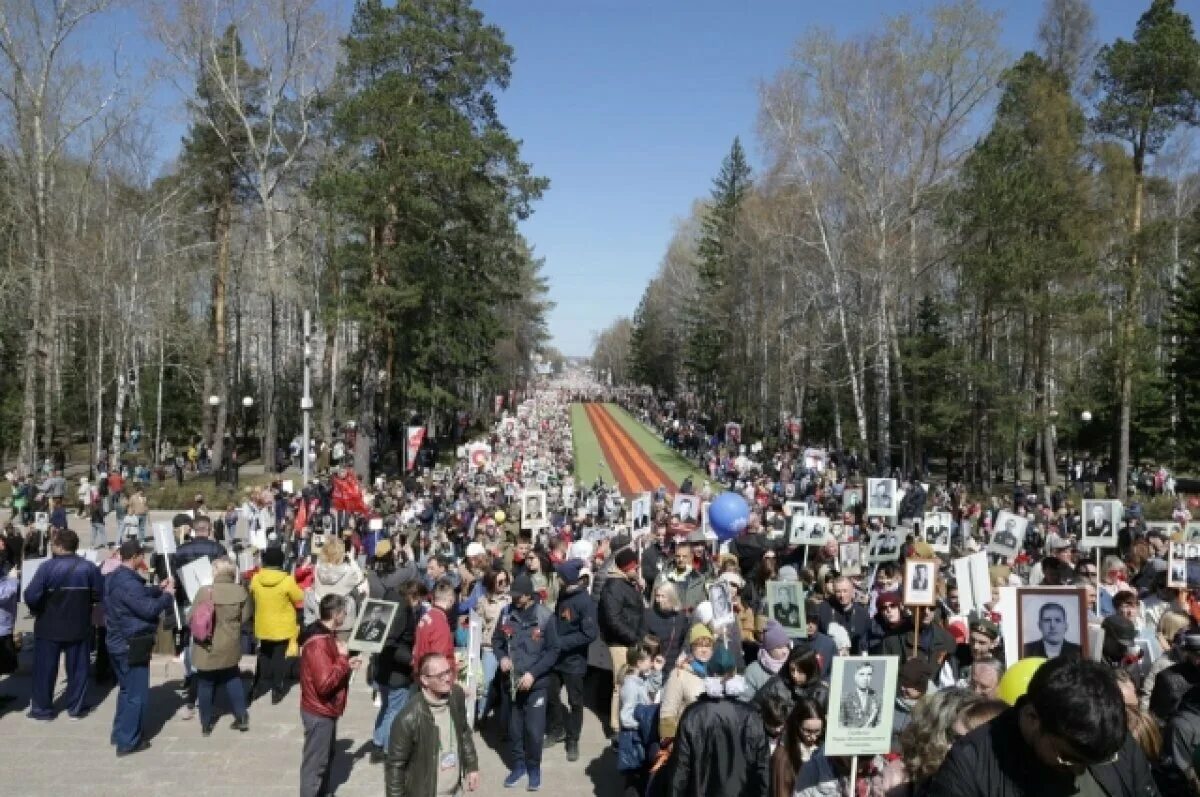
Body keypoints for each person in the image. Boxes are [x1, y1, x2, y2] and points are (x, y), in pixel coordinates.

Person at [925, 656, 1157, 797]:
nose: (1080, 771)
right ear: (1032, 718)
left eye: (1098, 761)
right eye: (1068, 758)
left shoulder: (1108, 734)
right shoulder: (971, 765)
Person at [24, 528, 104, 721]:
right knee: (78, 669)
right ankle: (76, 708)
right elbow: (100, 593)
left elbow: (30, 596)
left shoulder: (46, 567)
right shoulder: (89, 568)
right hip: (79, 625)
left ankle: (42, 710)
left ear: (59, 546)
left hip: (48, 625)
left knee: (45, 670)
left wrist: (38, 608)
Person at [104, 539, 175, 755]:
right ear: (134, 556)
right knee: (137, 694)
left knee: (126, 690)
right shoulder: (128, 583)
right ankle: (128, 740)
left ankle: (120, 732)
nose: (143, 560)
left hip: (117, 640)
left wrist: (156, 589)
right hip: (131, 643)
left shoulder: (115, 577)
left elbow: (137, 597)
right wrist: (167, 596)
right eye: (141, 556)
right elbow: (148, 609)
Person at [667, 646, 769, 797]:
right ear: (734, 673)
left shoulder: (693, 714)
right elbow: (763, 770)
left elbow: (680, 770)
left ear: (709, 673)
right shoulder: (750, 716)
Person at [493, 573, 560, 791]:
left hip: (536, 684)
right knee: (514, 729)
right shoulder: (506, 614)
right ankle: (518, 766)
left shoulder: (545, 617)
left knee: (534, 730)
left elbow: (553, 651)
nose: (513, 599)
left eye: (517, 596)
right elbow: (497, 641)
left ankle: (534, 769)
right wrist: (501, 657)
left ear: (528, 596)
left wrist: (533, 674)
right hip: (512, 684)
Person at [385, 651, 481, 797]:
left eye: (448, 671)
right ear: (424, 679)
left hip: (456, 790)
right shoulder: (408, 718)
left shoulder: (456, 696)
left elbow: (463, 732)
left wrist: (472, 766)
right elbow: (395, 767)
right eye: (440, 675)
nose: (448, 678)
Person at [299, 594, 362, 797]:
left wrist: (346, 665)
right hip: (319, 710)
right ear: (335, 614)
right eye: (344, 612)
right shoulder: (319, 643)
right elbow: (325, 684)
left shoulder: (328, 635)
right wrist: (343, 660)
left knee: (325, 759)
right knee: (315, 765)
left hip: (326, 708)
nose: (346, 615)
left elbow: (328, 669)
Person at [546, 558, 597, 761]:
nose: (557, 580)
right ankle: (557, 730)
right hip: (556, 658)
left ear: (568, 579)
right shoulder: (563, 594)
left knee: (575, 701)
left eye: (560, 577)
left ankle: (573, 739)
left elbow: (589, 634)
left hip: (574, 661)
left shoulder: (584, 601)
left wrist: (562, 642)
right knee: (551, 694)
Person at [192, 557, 250, 736]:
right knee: (232, 678)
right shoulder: (241, 592)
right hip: (229, 643)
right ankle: (241, 717)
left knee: (205, 683)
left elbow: (191, 618)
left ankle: (206, 723)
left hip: (207, 645)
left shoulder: (204, 592)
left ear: (215, 572)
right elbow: (245, 617)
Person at [249, 546, 304, 704]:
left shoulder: (256, 578)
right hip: (282, 626)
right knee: (279, 658)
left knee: (264, 656)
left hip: (263, 624)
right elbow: (299, 597)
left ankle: (257, 687)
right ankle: (277, 690)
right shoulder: (287, 580)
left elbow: (251, 592)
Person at [599, 547, 645, 733]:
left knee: (628, 682)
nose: (638, 570)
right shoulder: (614, 587)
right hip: (621, 643)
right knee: (621, 684)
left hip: (628, 640)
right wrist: (633, 639)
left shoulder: (625, 583)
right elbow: (613, 619)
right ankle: (616, 725)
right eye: (635, 567)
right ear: (628, 568)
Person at [413, 579, 455, 665]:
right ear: (451, 600)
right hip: (431, 674)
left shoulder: (426, 617)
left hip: (421, 669)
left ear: (433, 599)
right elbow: (437, 662)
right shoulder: (440, 625)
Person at [839, 660, 881, 728]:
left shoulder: (878, 698)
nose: (865, 678)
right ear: (855, 677)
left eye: (869, 674)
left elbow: (880, 723)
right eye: (862, 674)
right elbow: (840, 723)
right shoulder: (845, 698)